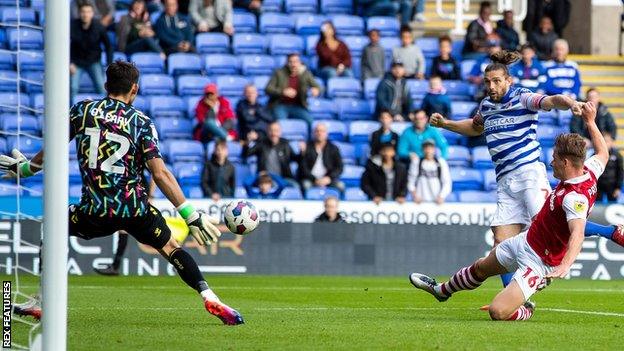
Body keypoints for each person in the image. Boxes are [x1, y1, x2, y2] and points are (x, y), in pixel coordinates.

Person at [0, 61, 244, 325]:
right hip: (134, 209)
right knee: (172, 248)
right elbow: (159, 174)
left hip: (94, 210)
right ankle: (209, 296)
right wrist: (190, 215)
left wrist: (26, 169)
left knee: (53, 226)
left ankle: (42, 302)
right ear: (134, 90)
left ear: (106, 86)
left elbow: (52, 148)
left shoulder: (82, 111)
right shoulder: (141, 123)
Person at [428, 50, 624, 289]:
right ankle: (519, 302)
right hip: (504, 182)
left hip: (529, 173)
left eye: (497, 81)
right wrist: (446, 124)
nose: (491, 86)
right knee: (500, 244)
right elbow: (476, 127)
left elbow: (551, 101)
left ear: (508, 81)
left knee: (556, 221)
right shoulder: (487, 106)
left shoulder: (522, 97)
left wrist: (572, 103)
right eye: (488, 81)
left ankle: (610, 232)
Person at [410, 102, 608, 321]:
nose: (551, 162)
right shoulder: (589, 170)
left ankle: (526, 310)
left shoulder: (574, 198)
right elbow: (603, 153)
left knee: (498, 312)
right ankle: (441, 291)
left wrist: (566, 265)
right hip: (525, 241)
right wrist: (590, 121)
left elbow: (578, 233)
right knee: (480, 268)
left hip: (539, 262)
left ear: (566, 161)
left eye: (555, 159)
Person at [70, 2, 112, 100]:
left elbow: (108, 46)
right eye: (83, 12)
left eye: (88, 12)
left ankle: (103, 111)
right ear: (79, 13)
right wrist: (70, 62)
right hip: (76, 62)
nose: (86, 14)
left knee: (101, 87)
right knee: (73, 87)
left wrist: (109, 64)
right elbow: (65, 45)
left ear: (92, 13)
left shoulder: (98, 26)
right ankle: (70, 112)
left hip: (94, 61)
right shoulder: (72, 26)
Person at [266, 53, 321, 128]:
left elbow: (318, 86)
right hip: (280, 104)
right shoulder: (279, 73)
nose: (293, 64)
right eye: (290, 62)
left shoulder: (305, 74)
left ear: (299, 63)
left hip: (298, 106)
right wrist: (283, 92)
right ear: (287, 63)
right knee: (281, 124)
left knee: (310, 122)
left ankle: (308, 140)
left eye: (295, 62)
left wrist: (316, 90)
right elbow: (268, 89)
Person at [243, 121, 299, 187]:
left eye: (276, 131)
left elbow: (296, 159)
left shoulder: (285, 144)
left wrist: (302, 153)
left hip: (284, 178)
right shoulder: (261, 143)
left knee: (295, 186)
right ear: (267, 132)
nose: (273, 133)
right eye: (271, 130)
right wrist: (248, 142)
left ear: (280, 132)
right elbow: (246, 154)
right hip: (265, 179)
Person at [298, 123, 345, 193]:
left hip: (328, 179)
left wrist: (329, 178)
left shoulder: (333, 148)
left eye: (322, 131)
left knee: (340, 186)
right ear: (313, 133)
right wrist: (314, 179)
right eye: (317, 131)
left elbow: (339, 168)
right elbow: (303, 168)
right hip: (310, 179)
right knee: (305, 185)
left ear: (326, 133)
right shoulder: (307, 147)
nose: (319, 133)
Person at [407, 139, 452, 204]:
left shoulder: (441, 162)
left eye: (430, 148)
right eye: (426, 148)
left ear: (434, 149)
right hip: (420, 202)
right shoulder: (417, 162)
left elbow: (447, 182)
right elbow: (411, 181)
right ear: (422, 149)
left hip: (436, 202)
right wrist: (415, 195)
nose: (428, 150)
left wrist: (441, 196)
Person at [596, 133, 623, 203]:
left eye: (607, 141)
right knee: (596, 206)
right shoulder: (596, 154)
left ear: (611, 142)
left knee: (613, 205)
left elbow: (620, 172)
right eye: (604, 141)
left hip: (612, 186)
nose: (605, 143)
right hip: (598, 186)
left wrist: (618, 188)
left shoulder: (617, 156)